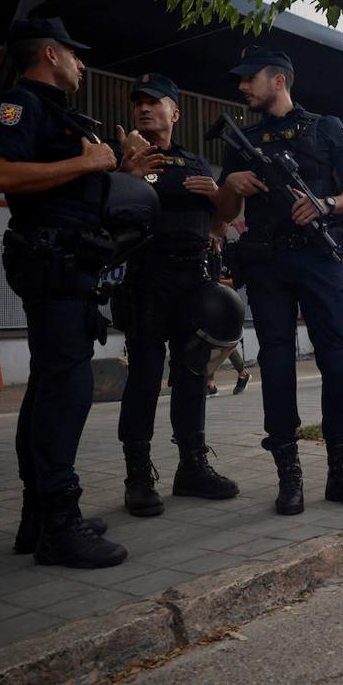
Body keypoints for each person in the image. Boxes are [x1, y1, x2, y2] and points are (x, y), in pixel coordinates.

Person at [0, 17, 145, 568]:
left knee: (51, 386)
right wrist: (89, 160)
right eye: (75, 55)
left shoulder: (52, 112)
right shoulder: (19, 104)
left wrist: (116, 168)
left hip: (68, 264)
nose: (82, 64)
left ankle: (39, 519)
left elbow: (71, 187)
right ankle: (59, 525)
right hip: (51, 264)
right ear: (50, 53)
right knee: (66, 389)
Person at [213, 45, 343, 514]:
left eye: (251, 79)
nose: (243, 87)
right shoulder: (241, 140)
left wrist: (326, 204)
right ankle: (289, 479)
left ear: (279, 80)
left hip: (319, 258)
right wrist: (230, 186)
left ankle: (341, 475)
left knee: (341, 364)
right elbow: (224, 216)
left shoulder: (325, 128)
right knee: (278, 367)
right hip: (267, 265)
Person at [114, 73, 241, 518]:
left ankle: (192, 467)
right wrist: (125, 175)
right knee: (144, 378)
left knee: (192, 376)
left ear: (175, 112)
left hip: (193, 282)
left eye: (155, 102)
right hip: (147, 280)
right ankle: (137, 476)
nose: (145, 108)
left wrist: (219, 194)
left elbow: (224, 219)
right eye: (139, 103)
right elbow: (106, 215)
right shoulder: (122, 158)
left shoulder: (194, 163)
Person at [206, 225, 252, 396]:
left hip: (228, 303)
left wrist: (216, 282)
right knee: (212, 340)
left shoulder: (230, 254)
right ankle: (212, 382)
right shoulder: (209, 255)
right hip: (212, 302)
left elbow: (236, 282)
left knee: (223, 341)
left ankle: (215, 381)